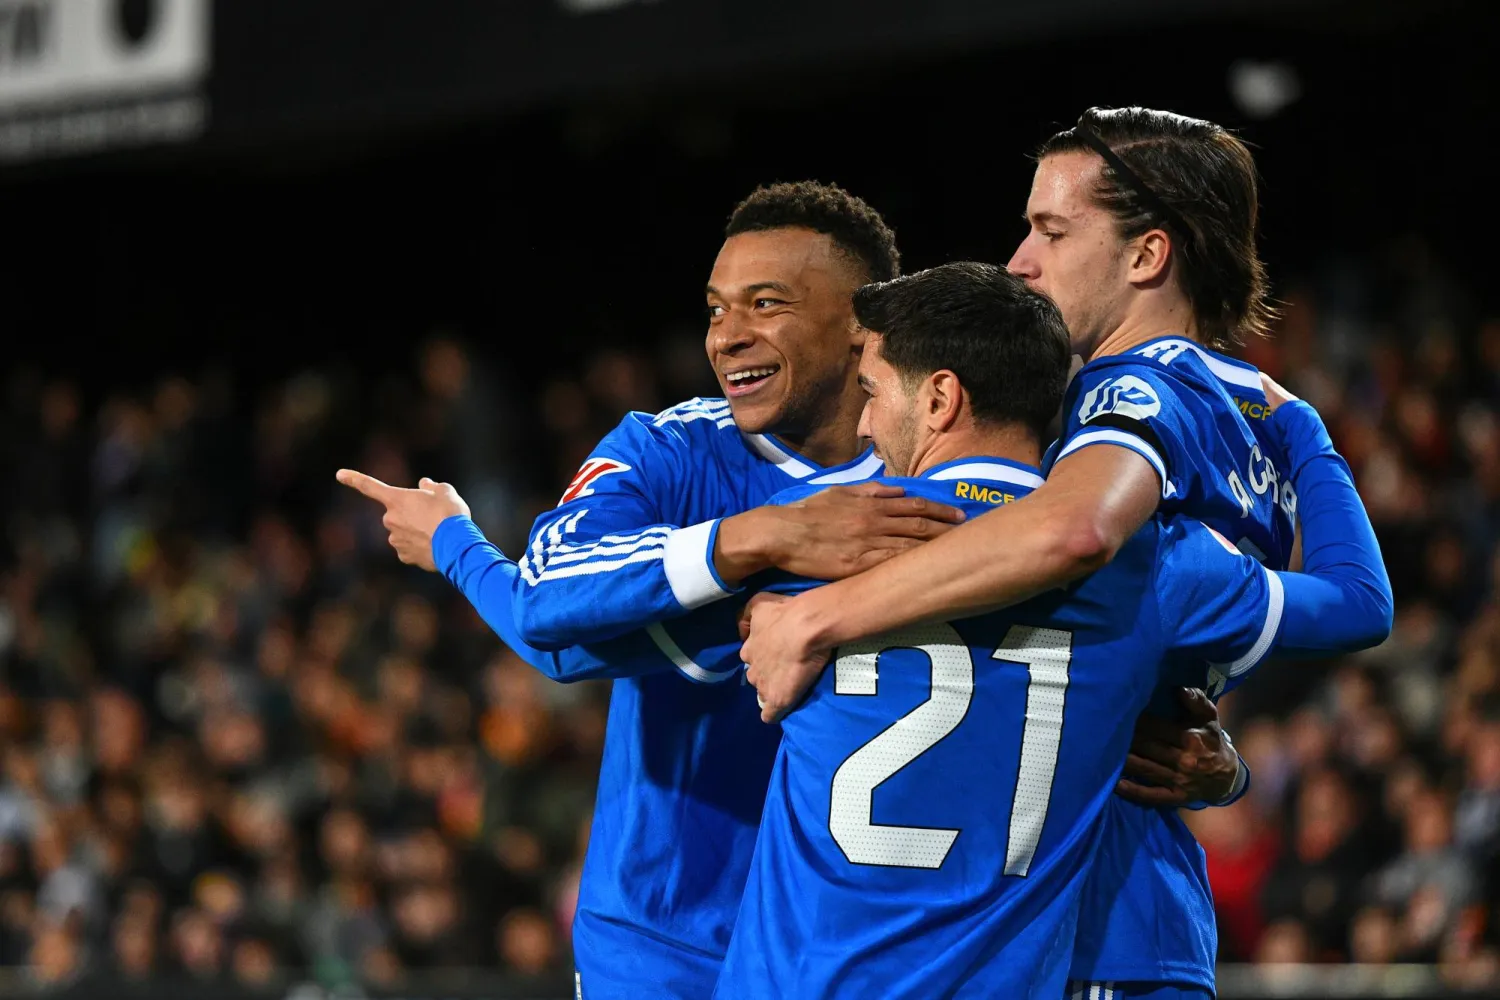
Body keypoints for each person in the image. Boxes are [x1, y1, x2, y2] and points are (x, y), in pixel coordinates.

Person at [739, 109, 1395, 999]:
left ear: (1147, 256)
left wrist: (818, 614)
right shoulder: (1263, 421)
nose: (1021, 260)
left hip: (1067, 916)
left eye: (1051, 230)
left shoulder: (1130, 395)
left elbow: (1072, 531)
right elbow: (1358, 604)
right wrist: (1308, 431)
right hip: (1153, 919)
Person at [338, 181, 968, 999]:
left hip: (866, 940)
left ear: (861, 321)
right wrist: (761, 535)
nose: (727, 336)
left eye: (765, 303)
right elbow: (550, 598)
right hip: (664, 943)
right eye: (715, 310)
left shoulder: (941, 466)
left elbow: (559, 646)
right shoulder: (666, 450)